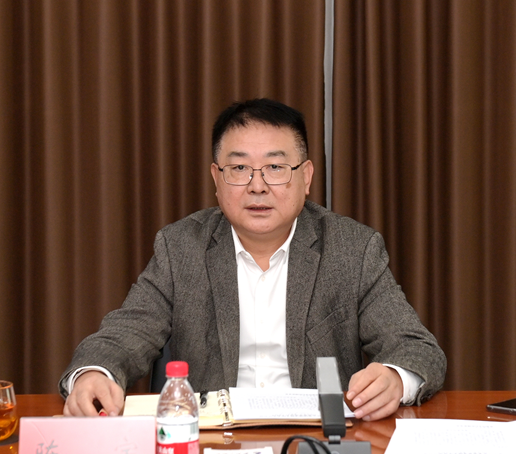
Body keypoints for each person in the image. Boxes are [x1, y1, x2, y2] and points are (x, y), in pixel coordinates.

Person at [59, 98, 446, 421]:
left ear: (306, 177)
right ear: (216, 178)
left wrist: (396, 378)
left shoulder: (351, 248)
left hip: (316, 446)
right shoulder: (181, 247)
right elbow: (123, 334)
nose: (257, 185)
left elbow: (416, 348)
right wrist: (94, 372)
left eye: (275, 167)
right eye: (240, 168)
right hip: (212, 444)